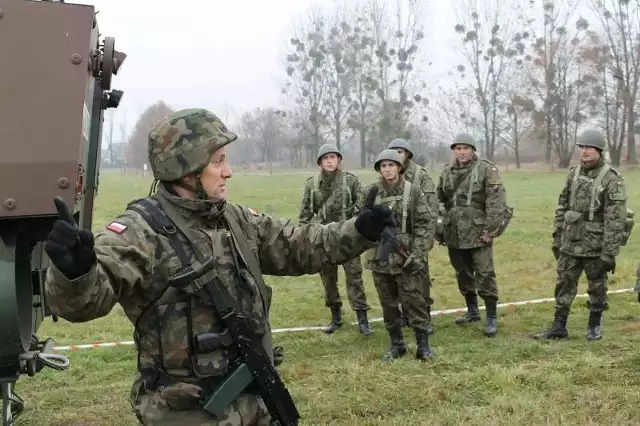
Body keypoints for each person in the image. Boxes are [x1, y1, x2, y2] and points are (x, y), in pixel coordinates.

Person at [42, 108, 393, 425]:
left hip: (256, 401)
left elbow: (300, 244)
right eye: (218, 161)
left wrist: (360, 231)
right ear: (186, 168)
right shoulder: (140, 230)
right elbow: (86, 302)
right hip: (188, 415)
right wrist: (76, 271)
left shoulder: (235, 219)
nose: (229, 171)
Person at [533, 129, 629, 341]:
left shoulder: (611, 179)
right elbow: (562, 205)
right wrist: (557, 235)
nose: (584, 152)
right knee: (564, 282)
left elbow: (615, 220)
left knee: (597, 285)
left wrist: (609, 252)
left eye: (589, 148)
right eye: (582, 147)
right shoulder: (573, 173)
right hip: (570, 240)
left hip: (595, 243)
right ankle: (559, 326)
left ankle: (594, 324)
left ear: (599, 150)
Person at [355, 149, 435, 361]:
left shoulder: (413, 191)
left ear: (400, 167)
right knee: (388, 303)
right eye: (383, 166)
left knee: (414, 300)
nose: (387, 169)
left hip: (405, 256)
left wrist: (417, 254)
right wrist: (368, 218)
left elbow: (425, 224)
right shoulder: (369, 192)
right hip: (379, 258)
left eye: (391, 165)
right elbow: (357, 221)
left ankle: (423, 346)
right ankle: (396, 344)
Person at [436, 133, 512, 338]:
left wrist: (490, 231)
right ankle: (472, 311)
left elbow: (496, 203)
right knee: (462, 273)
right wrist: (440, 228)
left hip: (479, 232)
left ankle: (491, 316)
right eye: (457, 148)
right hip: (454, 233)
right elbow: (439, 201)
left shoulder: (487, 169)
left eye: (465, 148)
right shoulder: (447, 172)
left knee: (485, 273)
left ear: (473, 150)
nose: (461, 152)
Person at [298, 143, 373, 336]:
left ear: (339, 160)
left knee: (354, 279)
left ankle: (362, 320)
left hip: (348, 239)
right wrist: (305, 237)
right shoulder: (311, 184)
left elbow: (363, 206)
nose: (330, 161)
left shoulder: (351, 182)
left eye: (333, 157)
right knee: (328, 280)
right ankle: (336, 317)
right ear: (320, 162)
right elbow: (305, 213)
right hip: (324, 240)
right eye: (326, 158)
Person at [386, 138, 438, 333]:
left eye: (401, 151)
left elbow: (431, 208)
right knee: (398, 278)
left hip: (417, 234)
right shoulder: (388, 175)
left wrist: (426, 238)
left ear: (407, 153)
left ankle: (424, 316)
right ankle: (406, 315)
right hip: (395, 236)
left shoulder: (420, 175)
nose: (397, 155)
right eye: (393, 151)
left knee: (419, 277)